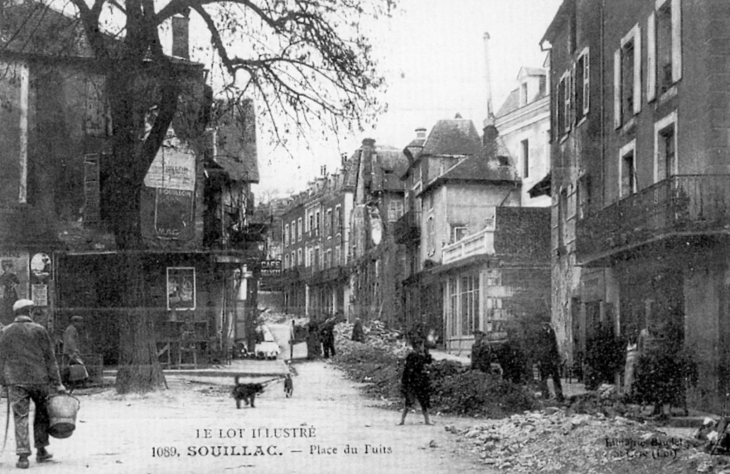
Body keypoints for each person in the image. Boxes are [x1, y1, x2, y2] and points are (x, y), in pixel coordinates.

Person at [0, 299, 66, 469]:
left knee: (20, 416)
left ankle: (23, 456)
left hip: (16, 380)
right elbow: (50, 359)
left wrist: (2, 381)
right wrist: (58, 383)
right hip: (39, 380)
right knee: (42, 414)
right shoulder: (39, 330)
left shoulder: (6, 332)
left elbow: (1, 359)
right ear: (30, 311)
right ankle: (41, 450)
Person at [398, 338, 433, 426]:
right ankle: (426, 420)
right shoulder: (415, 356)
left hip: (414, 381)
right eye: (421, 345)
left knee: (411, 401)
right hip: (417, 381)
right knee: (421, 401)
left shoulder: (417, 355)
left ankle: (402, 420)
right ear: (418, 346)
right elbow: (410, 369)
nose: (422, 347)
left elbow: (429, 361)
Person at [538, 322, 565, 403]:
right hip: (544, 360)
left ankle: (559, 397)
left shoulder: (552, 332)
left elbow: (555, 346)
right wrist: (539, 359)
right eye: (545, 324)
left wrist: (557, 358)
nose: (547, 325)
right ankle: (545, 396)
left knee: (556, 378)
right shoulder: (540, 333)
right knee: (544, 379)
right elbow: (538, 348)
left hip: (552, 360)